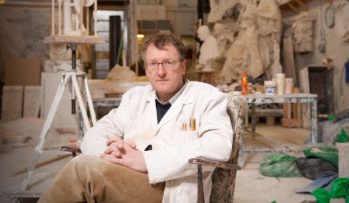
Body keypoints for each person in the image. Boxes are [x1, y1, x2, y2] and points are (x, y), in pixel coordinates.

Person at [39, 33, 233, 203]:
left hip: (172, 190)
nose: (161, 71)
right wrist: (113, 153)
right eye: (153, 64)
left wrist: (147, 161)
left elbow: (218, 146)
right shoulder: (135, 97)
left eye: (168, 63)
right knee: (82, 171)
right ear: (146, 69)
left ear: (183, 66)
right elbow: (96, 133)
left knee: (82, 169)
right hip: (128, 177)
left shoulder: (207, 97)